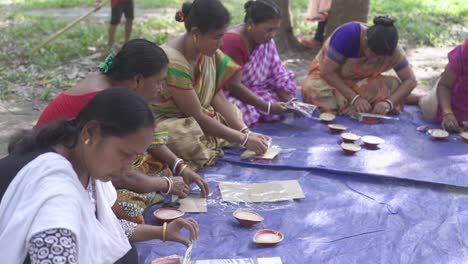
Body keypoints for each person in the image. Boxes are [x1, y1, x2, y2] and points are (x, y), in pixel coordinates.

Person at [0, 88, 199, 264]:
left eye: (135, 157)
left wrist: (162, 232)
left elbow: (104, 228)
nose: (128, 168)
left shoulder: (81, 160)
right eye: (124, 155)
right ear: (91, 133)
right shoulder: (56, 195)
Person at [36, 39, 209, 224]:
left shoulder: (112, 88)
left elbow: (144, 141)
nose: (160, 90)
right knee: (128, 209)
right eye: (158, 82)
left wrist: (178, 165)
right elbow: (118, 173)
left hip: (69, 161)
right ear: (137, 80)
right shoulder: (108, 100)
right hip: (48, 174)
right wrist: (165, 185)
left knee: (156, 167)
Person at [151, 0, 271, 169]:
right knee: (182, 134)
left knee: (235, 112)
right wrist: (243, 139)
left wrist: (245, 132)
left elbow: (218, 98)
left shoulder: (207, 52)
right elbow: (197, 115)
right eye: (217, 37)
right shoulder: (173, 62)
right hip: (169, 121)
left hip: (195, 119)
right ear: (195, 33)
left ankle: (213, 140)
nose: (221, 43)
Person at [302, 16, 418, 115]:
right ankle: (363, 105)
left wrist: (388, 102)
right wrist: (354, 98)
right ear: (365, 40)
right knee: (312, 89)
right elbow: (327, 72)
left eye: (380, 58)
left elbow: (410, 81)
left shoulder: (393, 51)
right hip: (329, 81)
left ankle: (363, 106)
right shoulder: (348, 35)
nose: (375, 59)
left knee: (394, 85)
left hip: (362, 83)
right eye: (373, 54)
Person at [220, 0, 295, 126]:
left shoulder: (265, 40)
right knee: (239, 112)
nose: (272, 35)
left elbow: (276, 74)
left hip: (255, 89)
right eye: (268, 30)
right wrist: (268, 107)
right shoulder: (233, 42)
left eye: (275, 30)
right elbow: (233, 86)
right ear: (250, 24)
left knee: (282, 103)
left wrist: (293, 102)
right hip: (227, 91)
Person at [419, 39, 468, 132]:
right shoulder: (462, 54)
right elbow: (445, 86)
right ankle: (421, 98)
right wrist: (447, 113)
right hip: (451, 99)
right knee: (427, 106)